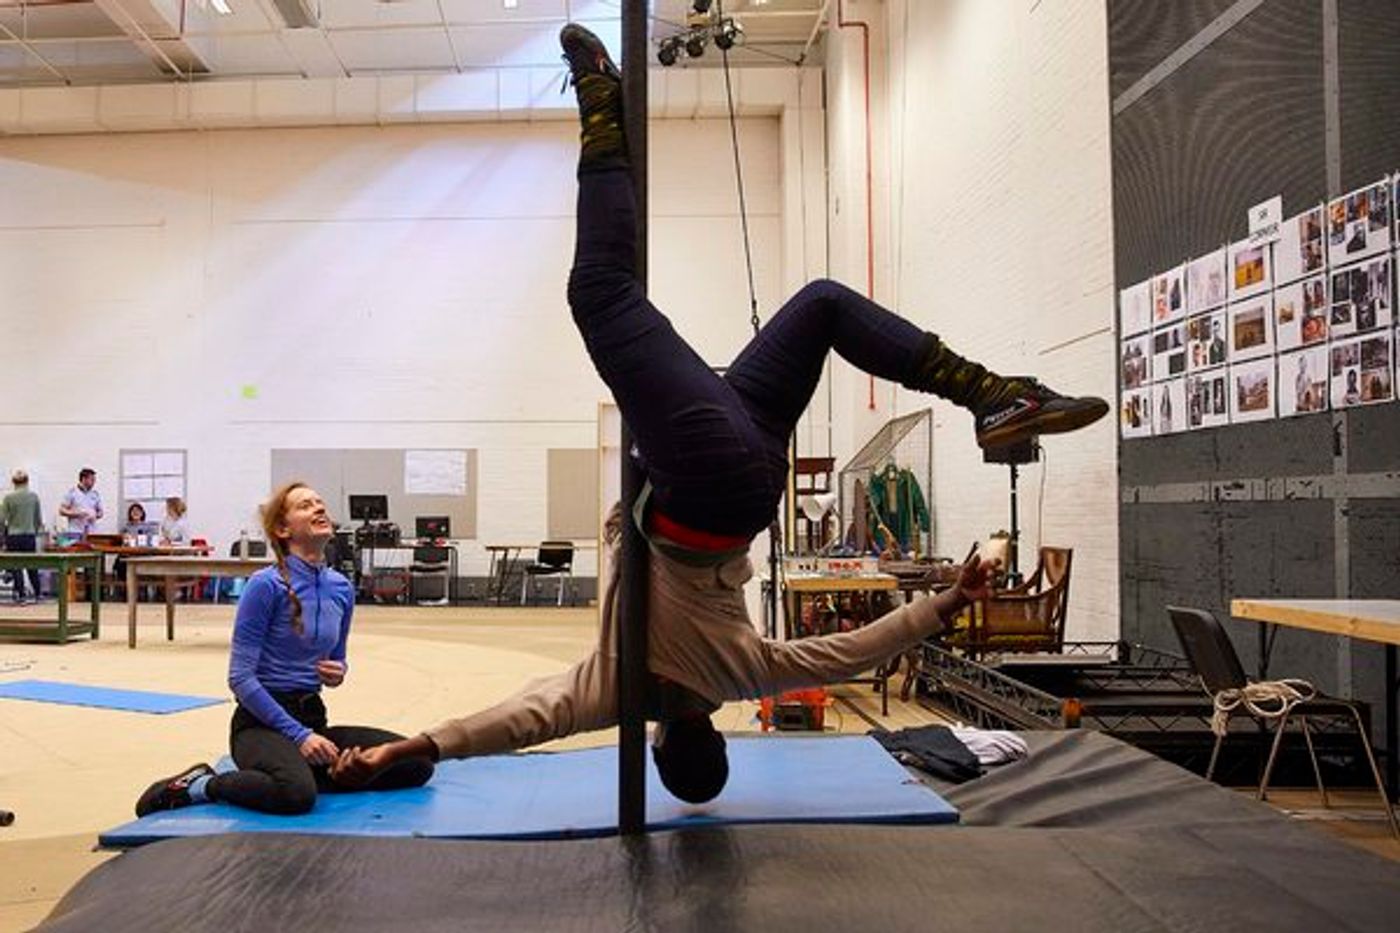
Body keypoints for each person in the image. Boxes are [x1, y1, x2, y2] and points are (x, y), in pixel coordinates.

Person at [327, 25, 1108, 806]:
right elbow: (519, 720)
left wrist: (948, 600)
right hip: (702, 484)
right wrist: (414, 744)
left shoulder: (743, 674)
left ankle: (991, 391)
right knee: (600, 293)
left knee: (826, 304)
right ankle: (601, 100)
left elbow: (850, 651)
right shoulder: (623, 690)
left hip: (750, 479)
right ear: (661, 741)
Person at [134, 483, 435, 816]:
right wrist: (299, 736)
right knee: (295, 795)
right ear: (282, 529)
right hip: (260, 724)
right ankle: (200, 784)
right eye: (305, 506)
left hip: (313, 717)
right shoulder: (265, 585)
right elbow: (240, 678)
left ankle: (301, 770)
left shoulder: (342, 588)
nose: (319, 509)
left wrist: (339, 672)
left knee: (415, 762)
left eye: (320, 503)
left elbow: (336, 660)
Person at [2, 470, 43, 605]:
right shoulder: (34, 497)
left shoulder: (8, 498)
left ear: (13, 482)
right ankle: (38, 594)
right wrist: (35, 532)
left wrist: (3, 536)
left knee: (16, 566)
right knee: (32, 565)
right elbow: (38, 519)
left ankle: (20, 595)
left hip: (13, 536)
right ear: (27, 481)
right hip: (29, 535)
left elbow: (2, 519)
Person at [58, 467, 102, 537]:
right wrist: (77, 514)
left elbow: (100, 512)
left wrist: (95, 515)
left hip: (91, 532)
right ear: (84, 479)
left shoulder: (95, 494)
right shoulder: (72, 493)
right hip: (76, 532)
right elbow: (61, 510)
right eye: (92, 480)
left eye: (94, 480)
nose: (94, 482)